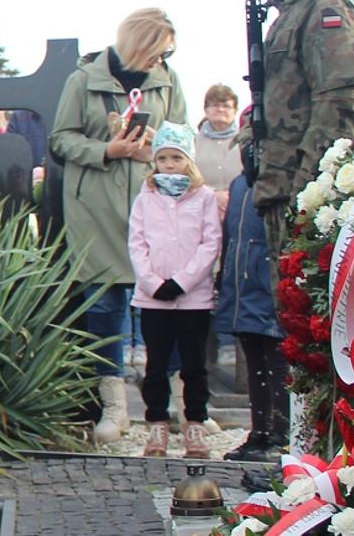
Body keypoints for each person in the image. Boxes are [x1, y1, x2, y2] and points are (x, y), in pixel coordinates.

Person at [48, 8, 187, 444]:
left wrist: (158, 151)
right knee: (105, 305)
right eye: (157, 50)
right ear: (137, 44)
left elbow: (183, 138)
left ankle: (173, 404)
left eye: (166, 53)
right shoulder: (82, 81)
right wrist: (108, 149)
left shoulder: (168, 81)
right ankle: (115, 408)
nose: (161, 59)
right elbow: (61, 140)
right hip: (97, 208)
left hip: (155, 207)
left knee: (167, 304)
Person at [254, 0, 354, 247]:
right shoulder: (297, 9)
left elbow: (339, 116)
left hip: (305, 200)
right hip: (283, 190)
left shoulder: (327, 10)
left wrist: (308, 197)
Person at [126, 123, 221, 459]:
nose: (169, 164)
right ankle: (157, 423)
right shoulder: (145, 198)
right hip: (153, 298)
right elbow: (137, 243)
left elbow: (210, 243)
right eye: (163, 158)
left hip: (192, 298)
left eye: (176, 158)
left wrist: (183, 281)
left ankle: (195, 421)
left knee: (194, 363)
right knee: (156, 363)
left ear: (188, 160)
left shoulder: (205, 197)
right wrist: (152, 282)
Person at [216, 163, 286, 462]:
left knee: (276, 364)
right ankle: (259, 430)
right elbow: (229, 235)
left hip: (268, 283)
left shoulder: (279, 181)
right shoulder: (238, 184)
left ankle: (280, 434)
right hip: (241, 282)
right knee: (254, 361)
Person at [193, 84, 240, 197]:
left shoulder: (245, 140)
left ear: (235, 111)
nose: (220, 109)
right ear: (206, 110)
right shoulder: (193, 142)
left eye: (226, 106)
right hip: (202, 204)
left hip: (238, 204)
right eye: (215, 105)